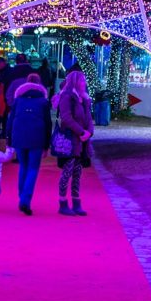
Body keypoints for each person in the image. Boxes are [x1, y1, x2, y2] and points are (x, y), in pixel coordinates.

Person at [7, 72, 52, 215]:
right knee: (33, 168)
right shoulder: (43, 102)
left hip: (19, 136)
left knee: (23, 166)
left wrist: (9, 139)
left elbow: (11, 120)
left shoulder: (18, 101)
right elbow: (48, 124)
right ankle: (25, 199)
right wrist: (47, 144)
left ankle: (22, 196)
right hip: (37, 137)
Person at [54, 68, 94, 217]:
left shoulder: (84, 99)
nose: (84, 83)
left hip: (82, 141)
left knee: (78, 172)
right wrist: (81, 132)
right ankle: (63, 202)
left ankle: (77, 202)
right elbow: (66, 117)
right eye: (81, 80)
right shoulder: (67, 96)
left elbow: (89, 117)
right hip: (71, 139)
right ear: (75, 82)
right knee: (67, 171)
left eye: (84, 80)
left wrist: (89, 132)